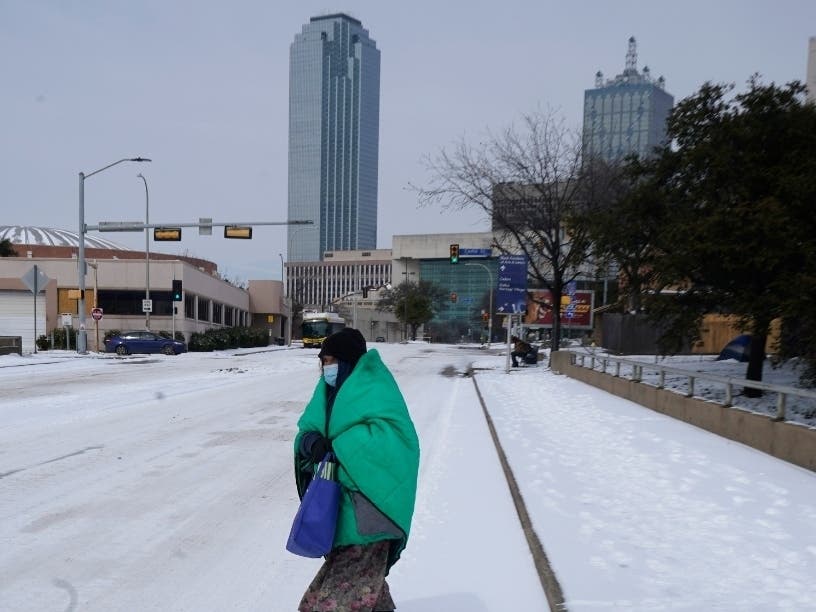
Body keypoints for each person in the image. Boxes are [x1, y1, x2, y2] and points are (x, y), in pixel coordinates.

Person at [293, 328, 420, 612]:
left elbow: (394, 444)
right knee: (364, 592)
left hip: (370, 517)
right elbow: (307, 431)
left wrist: (336, 447)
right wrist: (310, 443)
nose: (326, 368)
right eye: (323, 362)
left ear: (348, 361)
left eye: (331, 361)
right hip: (338, 515)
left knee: (324, 604)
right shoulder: (326, 393)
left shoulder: (376, 389)